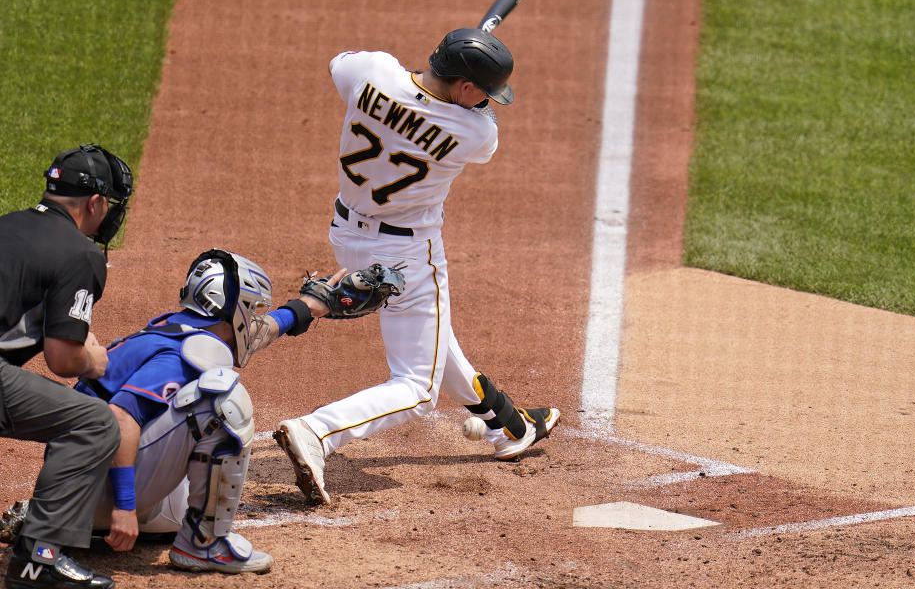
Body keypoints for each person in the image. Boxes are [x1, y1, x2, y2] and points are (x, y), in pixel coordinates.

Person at [274, 28, 560, 505]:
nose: (486, 101)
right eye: (484, 92)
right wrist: (450, 97)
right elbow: (473, 120)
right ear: (467, 89)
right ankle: (317, 431)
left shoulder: (371, 71)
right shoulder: (475, 131)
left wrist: (415, 86)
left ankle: (507, 426)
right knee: (416, 386)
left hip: (348, 236)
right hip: (406, 257)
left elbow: (340, 63)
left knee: (430, 340)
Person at [67, 249, 359, 574]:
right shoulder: (177, 355)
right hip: (103, 495)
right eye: (249, 308)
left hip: (73, 488)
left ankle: (85, 517)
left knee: (178, 511)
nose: (253, 319)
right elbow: (121, 418)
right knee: (222, 402)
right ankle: (204, 545)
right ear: (231, 312)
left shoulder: (172, 330)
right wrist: (123, 506)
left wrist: (304, 309)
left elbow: (253, 335)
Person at [0, 144, 133, 589]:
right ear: (95, 203)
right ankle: (39, 559)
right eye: (109, 203)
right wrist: (91, 358)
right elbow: (63, 359)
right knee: (94, 423)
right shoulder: (81, 254)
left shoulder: (7, 225)